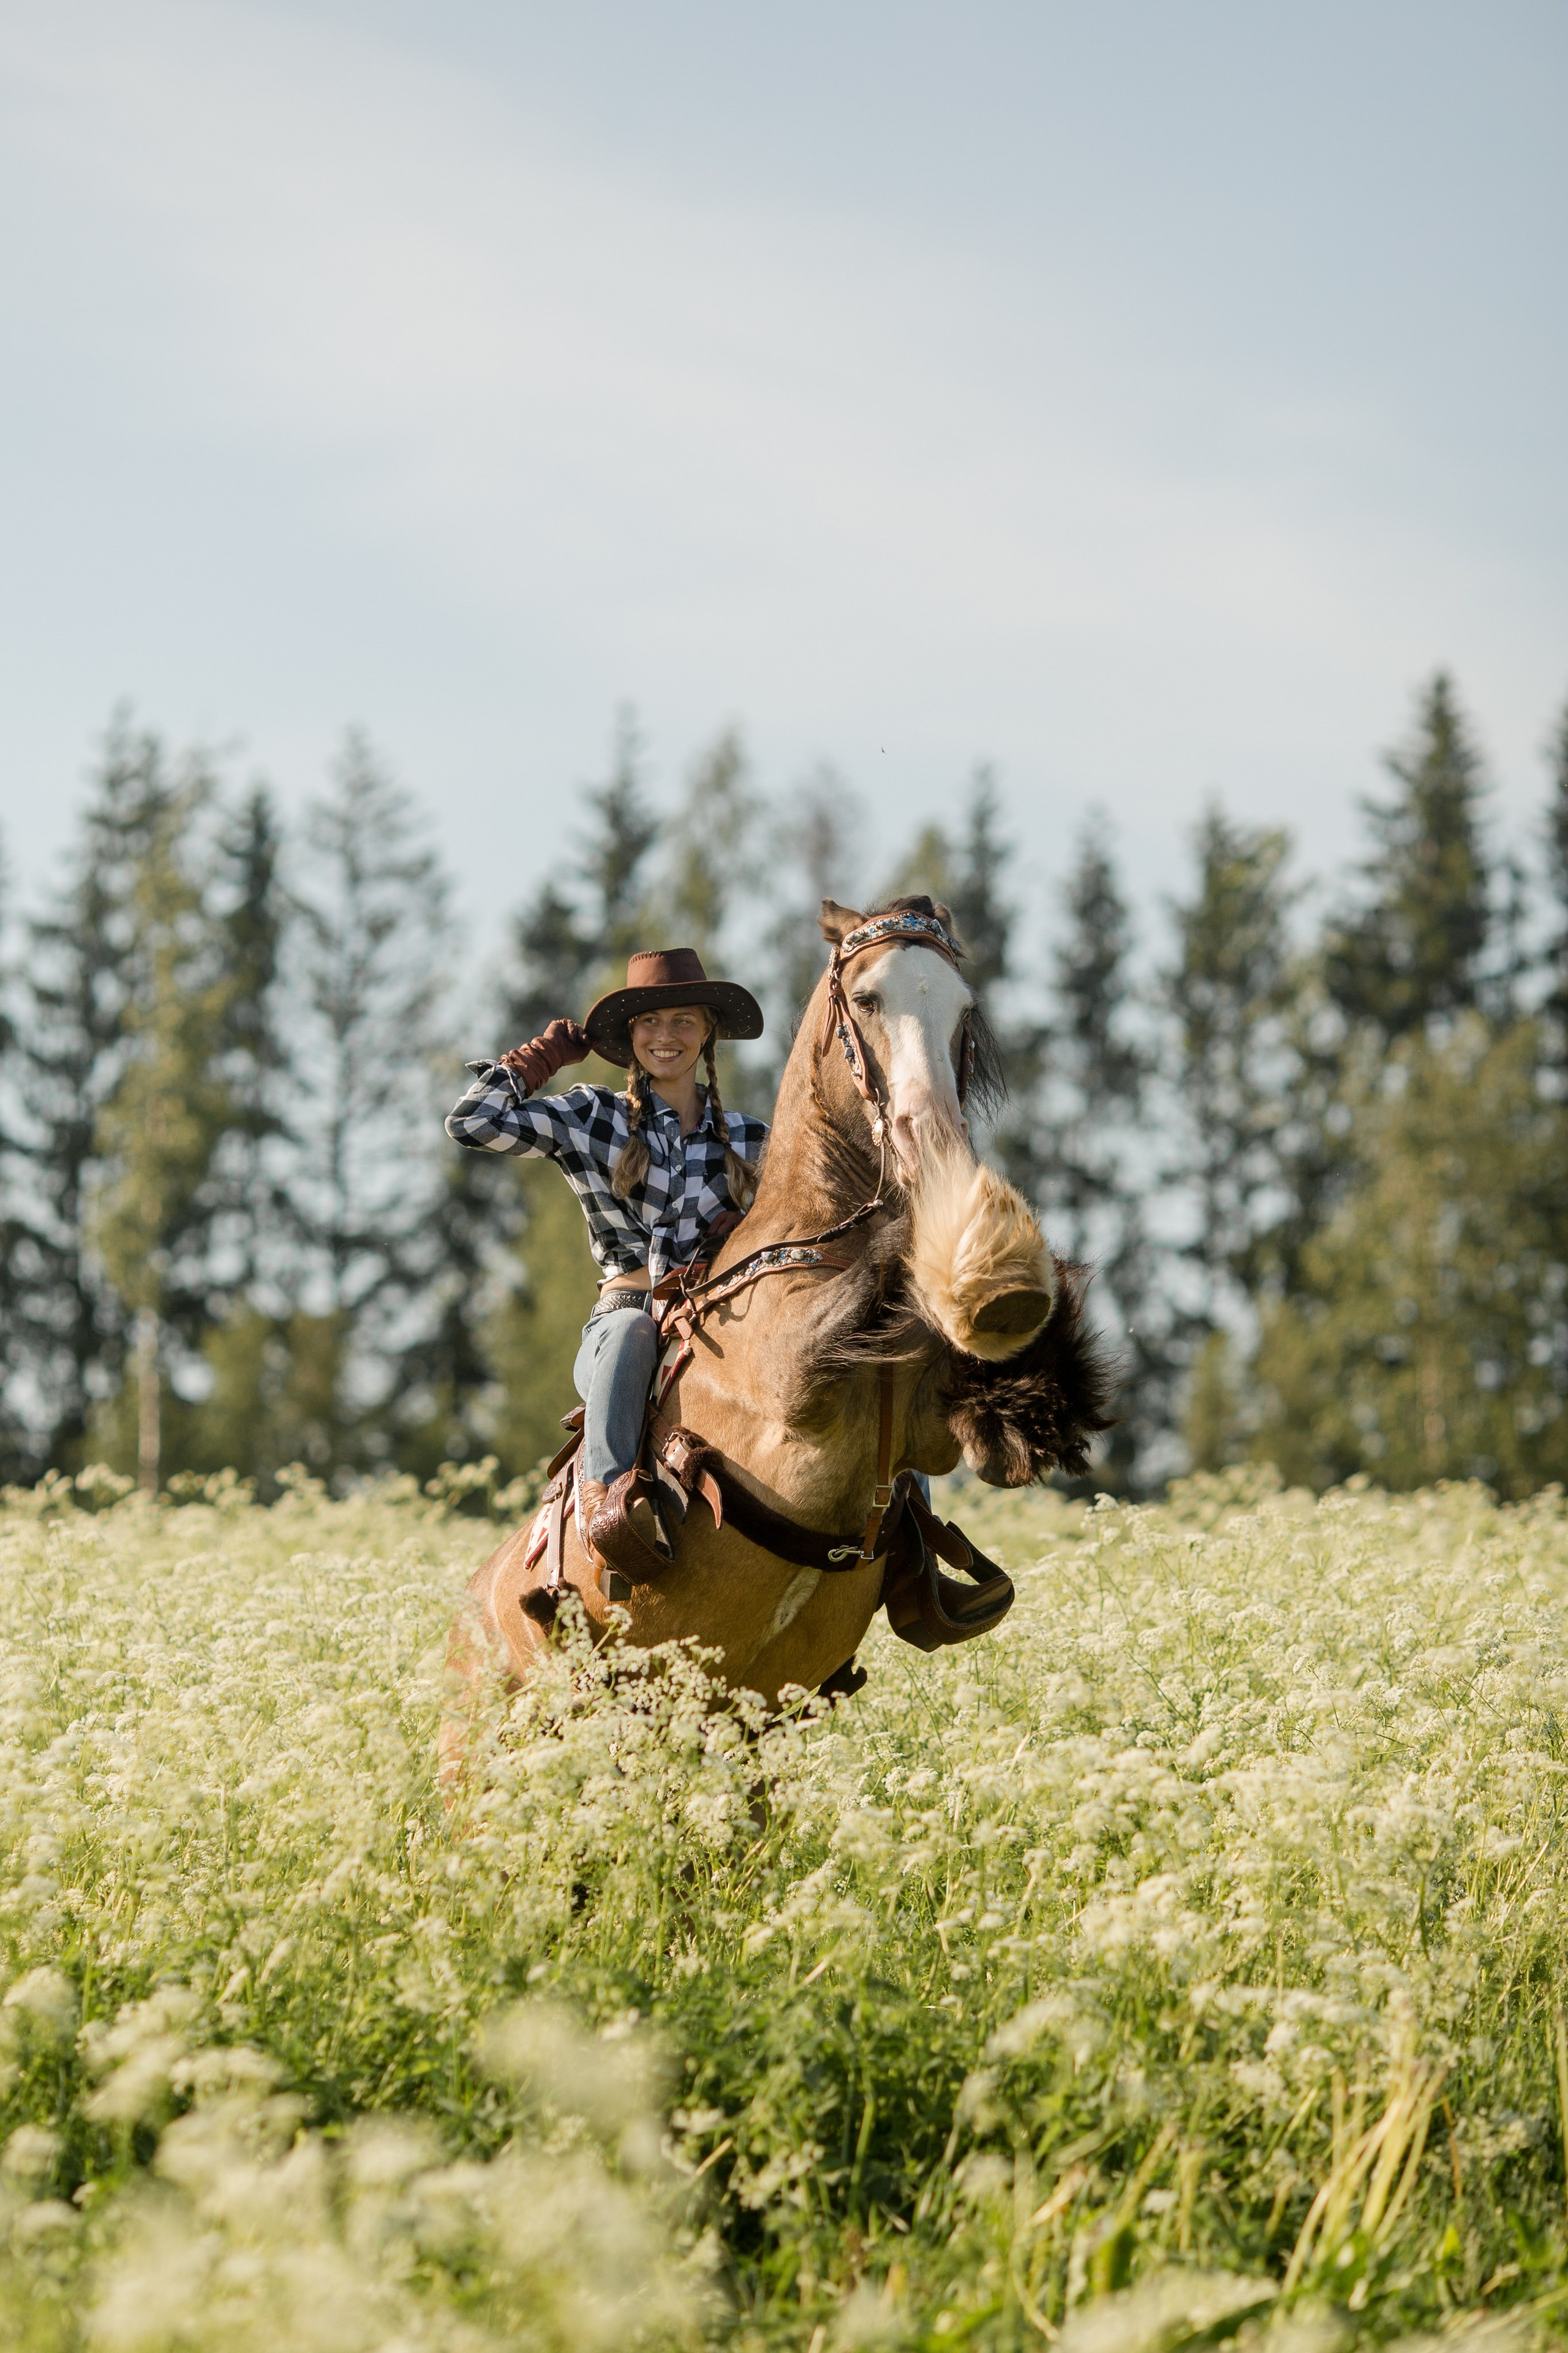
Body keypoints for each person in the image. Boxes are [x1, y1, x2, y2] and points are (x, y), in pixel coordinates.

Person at [445, 948, 767, 1571]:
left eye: (682, 1021)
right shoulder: (593, 1115)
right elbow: (471, 1122)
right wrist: (534, 1062)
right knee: (632, 1327)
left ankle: (902, 1538)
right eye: (649, 1022)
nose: (665, 1036)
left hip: (721, 1323)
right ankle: (608, 1503)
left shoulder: (752, 1140)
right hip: (625, 1316)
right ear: (628, 1037)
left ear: (707, 1034)